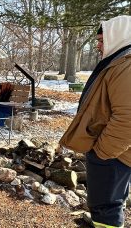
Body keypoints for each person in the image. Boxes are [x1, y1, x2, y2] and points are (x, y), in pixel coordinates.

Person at [60, 15, 131, 228]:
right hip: (113, 152)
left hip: (114, 155)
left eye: (102, 39)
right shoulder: (118, 61)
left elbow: (128, 118)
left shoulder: (126, 66)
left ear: (117, 37)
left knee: (106, 208)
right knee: (107, 205)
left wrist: (102, 152)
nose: (98, 45)